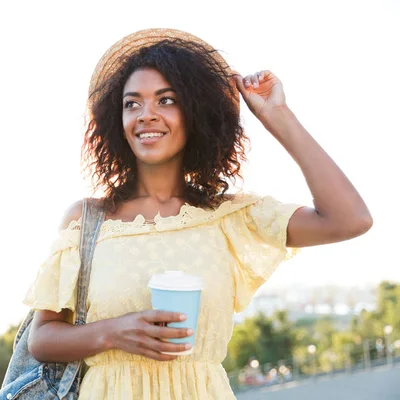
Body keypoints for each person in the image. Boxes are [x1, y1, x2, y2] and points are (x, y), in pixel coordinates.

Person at [23, 28, 372, 399]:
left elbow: (350, 219)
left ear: (195, 112)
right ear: (117, 120)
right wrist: (113, 332)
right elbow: (42, 338)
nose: (146, 115)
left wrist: (278, 116)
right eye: (132, 103)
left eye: (166, 100)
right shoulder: (87, 220)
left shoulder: (229, 217)